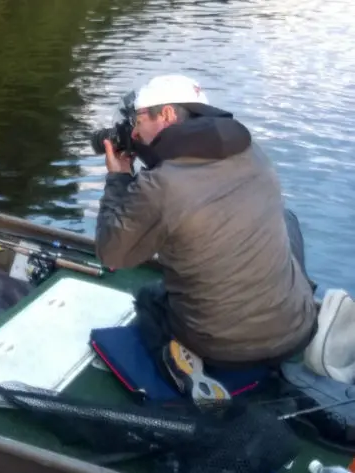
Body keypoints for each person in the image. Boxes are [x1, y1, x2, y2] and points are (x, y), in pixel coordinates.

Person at [94, 74, 318, 403]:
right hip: (298, 331)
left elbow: (112, 254)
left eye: (139, 120)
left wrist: (118, 178)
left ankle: (178, 368)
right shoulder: (251, 150)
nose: (135, 131)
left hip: (222, 350)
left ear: (167, 115)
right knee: (286, 221)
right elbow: (200, 179)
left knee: (150, 299)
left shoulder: (160, 186)